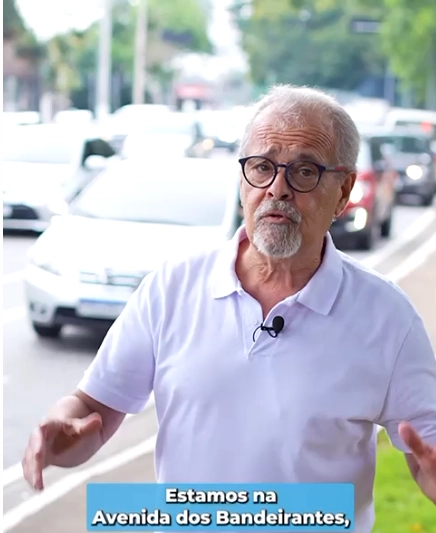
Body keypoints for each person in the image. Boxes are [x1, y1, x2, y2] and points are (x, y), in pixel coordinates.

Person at [22, 85, 436, 532]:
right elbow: (94, 412)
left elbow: (425, 450)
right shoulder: (171, 288)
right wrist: (62, 431)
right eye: (261, 167)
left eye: (303, 172)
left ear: (343, 192)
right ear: (243, 179)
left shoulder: (387, 317)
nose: (277, 188)